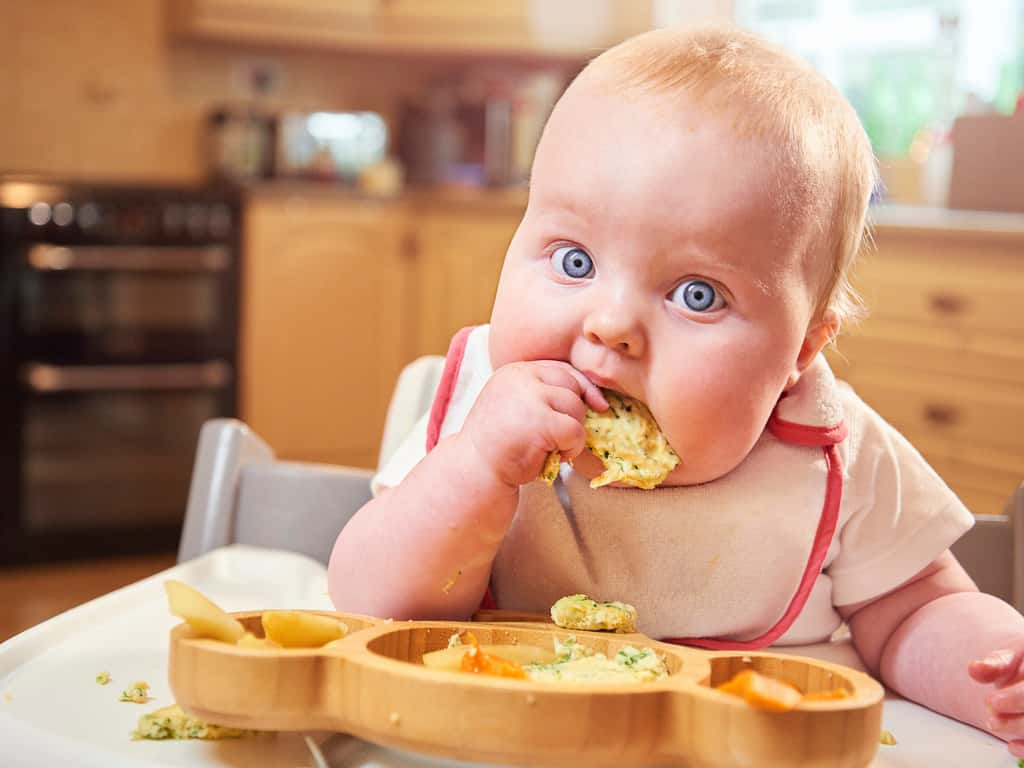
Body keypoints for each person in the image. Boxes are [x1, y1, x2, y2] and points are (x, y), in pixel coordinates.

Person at [328, 24, 1024, 755]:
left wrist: (993, 671)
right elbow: (372, 605)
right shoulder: (482, 410)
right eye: (574, 261)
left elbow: (918, 611)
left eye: (696, 295)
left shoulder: (834, 452)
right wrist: (475, 468)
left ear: (803, 348)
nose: (612, 325)